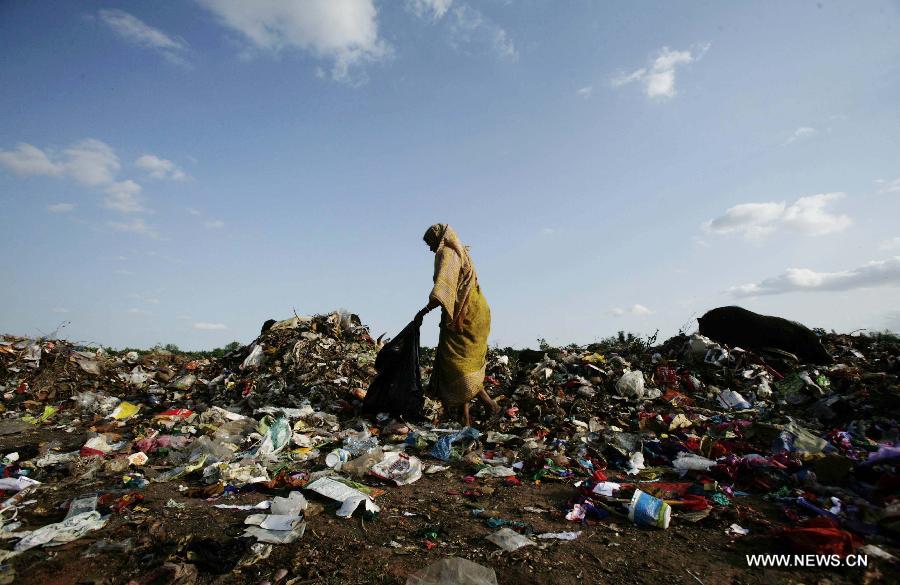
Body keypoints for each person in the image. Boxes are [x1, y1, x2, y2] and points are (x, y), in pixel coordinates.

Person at [415, 224, 500, 426]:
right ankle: (474, 413)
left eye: (430, 243)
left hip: (465, 315)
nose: (430, 249)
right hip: (478, 312)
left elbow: (444, 290)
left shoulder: (447, 253)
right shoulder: (461, 252)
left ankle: (479, 410)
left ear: (438, 238)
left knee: (457, 364)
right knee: (464, 363)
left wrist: (423, 311)